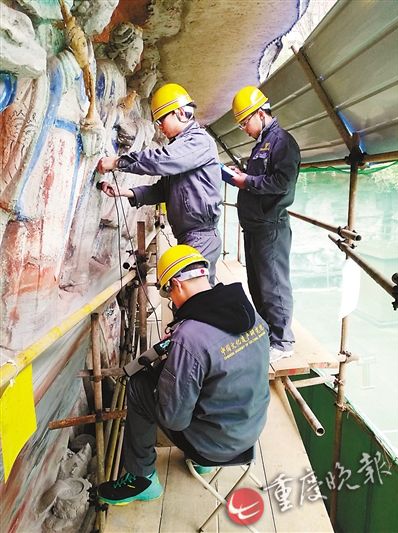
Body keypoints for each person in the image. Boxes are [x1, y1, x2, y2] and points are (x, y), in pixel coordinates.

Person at [97, 244, 270, 505]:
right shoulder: (251, 315)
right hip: (250, 429)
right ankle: (202, 466)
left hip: (215, 446)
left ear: (176, 284)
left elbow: (174, 419)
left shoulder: (189, 338)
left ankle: (141, 478)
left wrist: (172, 364)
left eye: (169, 295)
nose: (173, 303)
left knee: (138, 384)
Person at [97, 83, 222, 285]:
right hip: (191, 237)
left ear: (180, 112)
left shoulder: (198, 142)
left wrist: (119, 162)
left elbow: (161, 160)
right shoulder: (182, 148)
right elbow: (162, 190)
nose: (160, 126)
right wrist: (125, 192)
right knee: (194, 297)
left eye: (162, 119)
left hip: (200, 237)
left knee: (196, 298)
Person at [230, 86, 300, 362]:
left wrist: (246, 181)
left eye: (245, 121)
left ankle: (283, 341)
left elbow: (282, 184)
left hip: (271, 226)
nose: (245, 128)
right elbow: (262, 178)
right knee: (257, 283)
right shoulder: (262, 143)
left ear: (260, 113)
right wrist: (242, 174)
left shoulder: (283, 142)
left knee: (274, 284)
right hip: (255, 226)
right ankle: (267, 333)